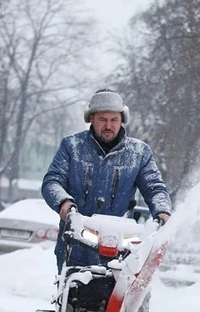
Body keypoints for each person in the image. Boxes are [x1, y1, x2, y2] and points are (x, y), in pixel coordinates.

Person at [42, 88, 172, 270]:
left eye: (114, 120)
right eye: (103, 119)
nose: (108, 126)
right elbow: (52, 181)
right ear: (91, 119)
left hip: (121, 245)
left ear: (121, 120)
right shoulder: (72, 147)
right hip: (76, 241)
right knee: (75, 294)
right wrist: (64, 204)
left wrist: (162, 212)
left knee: (124, 295)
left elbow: (154, 187)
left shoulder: (139, 153)